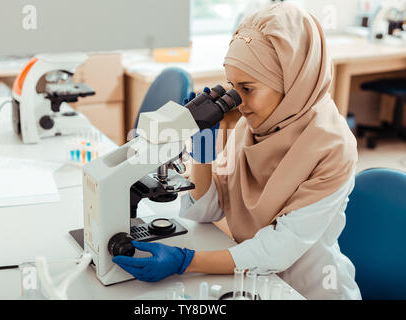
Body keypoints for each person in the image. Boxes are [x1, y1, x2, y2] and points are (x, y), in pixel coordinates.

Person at [113, 2, 361, 300]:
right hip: (250, 278)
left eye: (248, 88)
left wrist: (186, 261)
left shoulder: (333, 147)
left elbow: (278, 249)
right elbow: (206, 212)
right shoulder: (252, 127)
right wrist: (202, 153)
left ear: (292, 82)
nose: (238, 103)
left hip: (307, 290)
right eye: (232, 87)